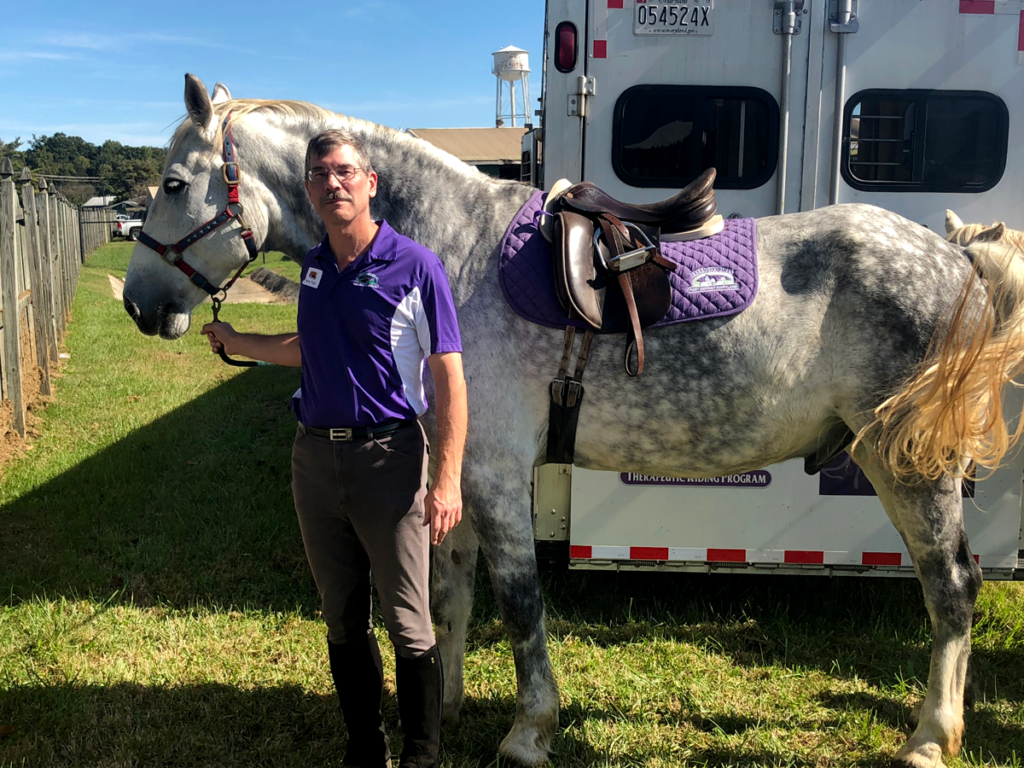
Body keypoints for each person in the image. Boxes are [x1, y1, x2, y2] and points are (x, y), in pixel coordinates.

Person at [202, 129, 467, 768]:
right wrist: (241, 342)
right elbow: (307, 347)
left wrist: (448, 477)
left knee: (408, 622)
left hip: (390, 461)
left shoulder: (416, 266)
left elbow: (448, 377)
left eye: (345, 171)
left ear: (370, 182)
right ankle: (364, 747)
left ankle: (422, 755)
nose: (333, 183)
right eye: (320, 175)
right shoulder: (316, 267)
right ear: (309, 190)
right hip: (314, 464)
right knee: (342, 617)